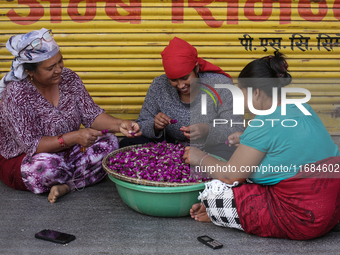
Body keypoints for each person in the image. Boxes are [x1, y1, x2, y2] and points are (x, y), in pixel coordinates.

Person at [183, 51, 340, 240]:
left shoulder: (264, 122)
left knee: (213, 195)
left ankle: (217, 213)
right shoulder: (304, 107)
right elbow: (287, 142)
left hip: (303, 219)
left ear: (256, 92)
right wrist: (246, 138)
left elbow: (230, 176)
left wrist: (200, 158)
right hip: (332, 210)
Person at [0, 28, 141, 203]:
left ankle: (68, 185)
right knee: (45, 167)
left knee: (111, 142)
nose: (59, 69)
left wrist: (120, 124)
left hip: (68, 152)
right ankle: (79, 177)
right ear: (30, 72)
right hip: (27, 159)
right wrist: (73, 137)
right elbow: (32, 146)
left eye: (60, 61)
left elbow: (91, 115)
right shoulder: (16, 93)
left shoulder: (69, 79)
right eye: (50, 68)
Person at [120, 37, 244, 160]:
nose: (180, 85)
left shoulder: (221, 84)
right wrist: (155, 126)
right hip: (169, 147)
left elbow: (235, 127)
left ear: (196, 68)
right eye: (173, 80)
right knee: (128, 144)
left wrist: (208, 130)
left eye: (185, 78)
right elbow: (141, 124)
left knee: (236, 152)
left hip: (210, 150)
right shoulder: (159, 85)